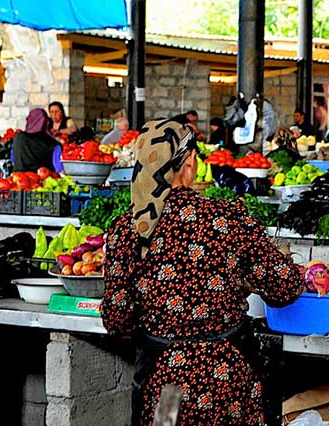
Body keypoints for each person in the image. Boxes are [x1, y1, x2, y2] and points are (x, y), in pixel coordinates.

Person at [102, 117, 303, 426]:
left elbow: (117, 320)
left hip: (166, 386)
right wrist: (241, 282)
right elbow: (285, 287)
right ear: (190, 162)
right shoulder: (226, 219)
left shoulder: (127, 230)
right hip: (228, 382)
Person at [12, 108, 62, 172]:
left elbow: (13, 160)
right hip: (42, 181)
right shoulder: (54, 144)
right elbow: (59, 169)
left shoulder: (18, 137)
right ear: (46, 122)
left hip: (17, 180)